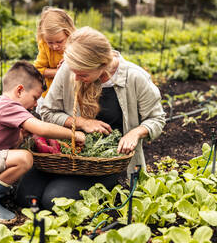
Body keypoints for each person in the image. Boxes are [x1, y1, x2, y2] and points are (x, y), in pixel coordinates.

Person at [15, 27, 166, 209]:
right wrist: (82, 122)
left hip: (107, 161)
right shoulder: (71, 69)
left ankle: (109, 186)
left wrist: (134, 133)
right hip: (66, 154)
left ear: (102, 65)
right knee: (26, 197)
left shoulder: (135, 78)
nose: (75, 77)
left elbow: (156, 119)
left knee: (52, 201)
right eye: (73, 71)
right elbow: (47, 112)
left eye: (83, 74)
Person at [0, 61, 85, 224]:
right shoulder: (9, 106)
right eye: (35, 98)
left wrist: (21, 137)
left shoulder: (1, 105)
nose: (36, 104)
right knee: (24, 158)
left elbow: (8, 144)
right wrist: (74, 134)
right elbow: (41, 129)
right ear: (20, 90)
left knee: (18, 149)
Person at [33, 7, 76, 113]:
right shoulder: (44, 46)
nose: (55, 46)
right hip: (50, 93)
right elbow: (38, 69)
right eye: (50, 42)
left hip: (73, 93)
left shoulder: (77, 44)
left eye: (59, 41)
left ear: (68, 33)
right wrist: (60, 72)